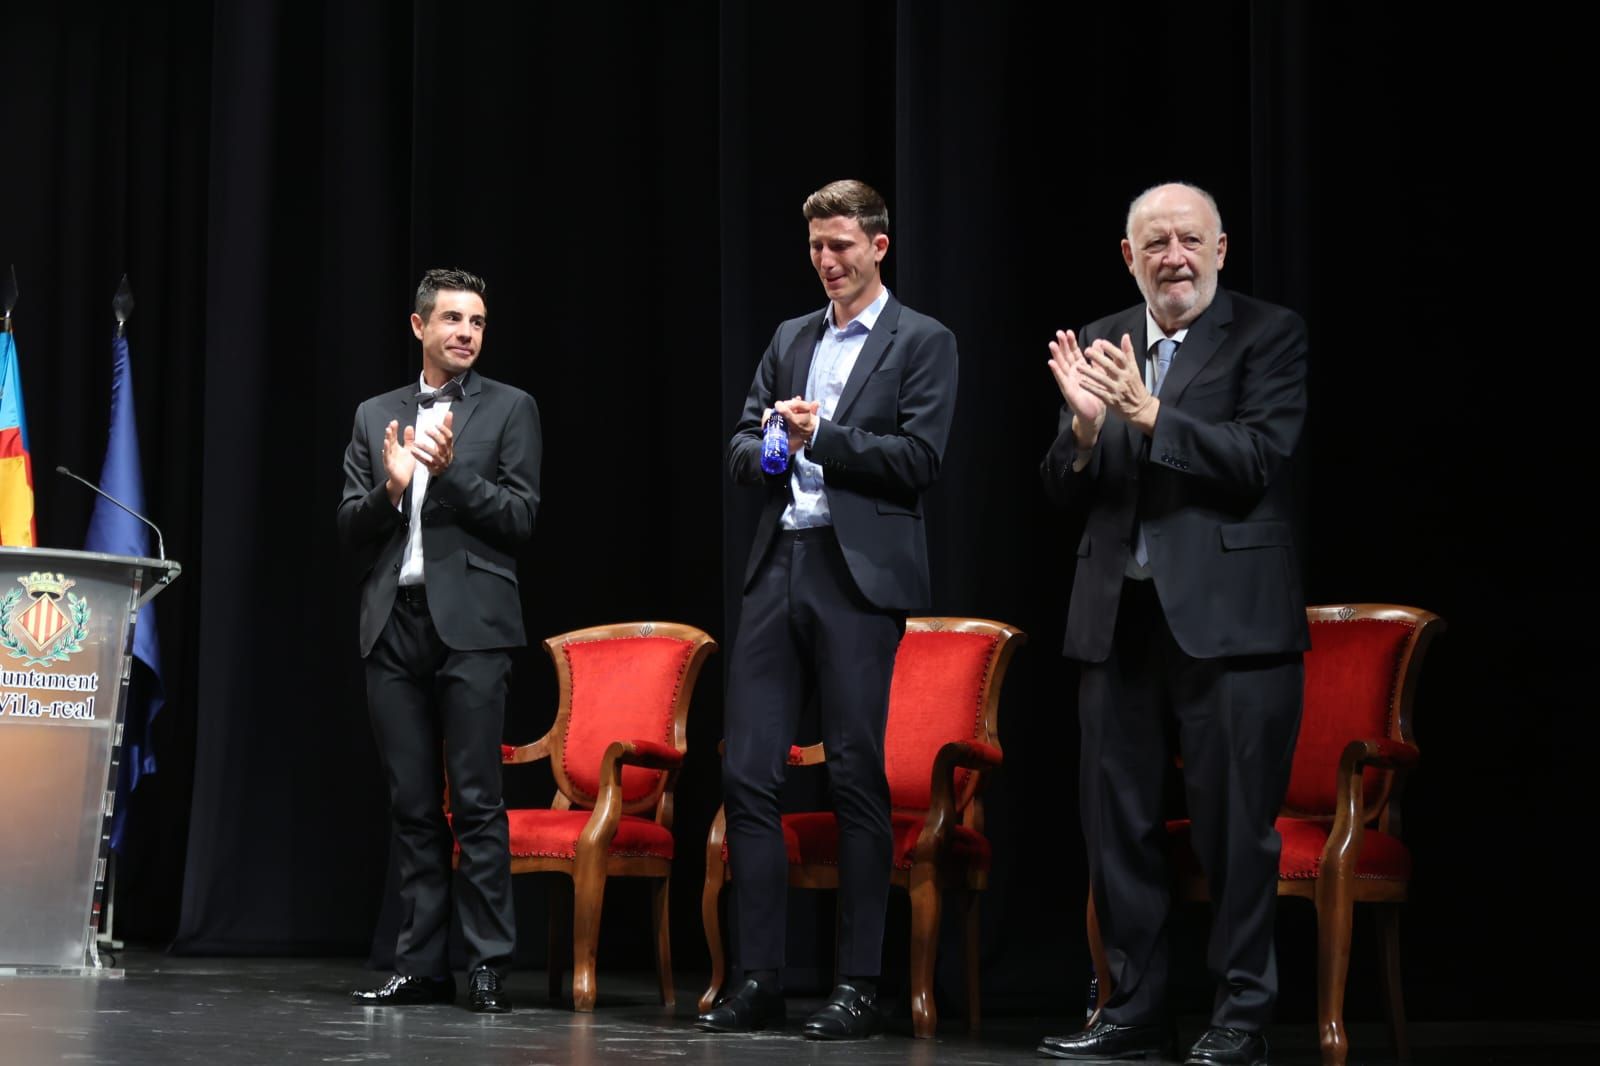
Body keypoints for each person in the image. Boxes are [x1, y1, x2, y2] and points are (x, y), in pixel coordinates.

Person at [1036, 183, 1309, 1066]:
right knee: (1117, 825)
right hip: (1117, 618)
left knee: (1235, 830)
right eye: (1155, 244)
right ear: (1130, 256)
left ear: (1221, 249)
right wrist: (1081, 432)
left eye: (1190, 241)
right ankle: (1134, 1008)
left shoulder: (1268, 334)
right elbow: (1058, 489)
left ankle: (1240, 1018)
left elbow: (1258, 458)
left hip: (1231, 625)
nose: (1174, 258)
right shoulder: (1107, 337)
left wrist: (1152, 415)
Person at [695, 179, 959, 1040]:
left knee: (854, 771)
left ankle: (858, 984)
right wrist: (773, 446)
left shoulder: (923, 340)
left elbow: (920, 458)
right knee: (749, 775)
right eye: (816, 248)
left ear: (879, 246)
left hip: (859, 578)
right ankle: (761, 978)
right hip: (780, 563)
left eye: (841, 246)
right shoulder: (788, 338)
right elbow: (741, 445)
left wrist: (824, 440)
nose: (827, 262)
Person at [338, 268, 542, 1014]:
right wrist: (391, 490)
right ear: (419, 326)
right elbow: (348, 528)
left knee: (479, 802)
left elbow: (521, 518)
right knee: (413, 804)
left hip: (475, 628)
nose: (466, 332)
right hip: (394, 623)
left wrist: (450, 478)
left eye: (478, 321)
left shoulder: (512, 409)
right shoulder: (374, 415)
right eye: (453, 319)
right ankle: (420, 964)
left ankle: (488, 964)